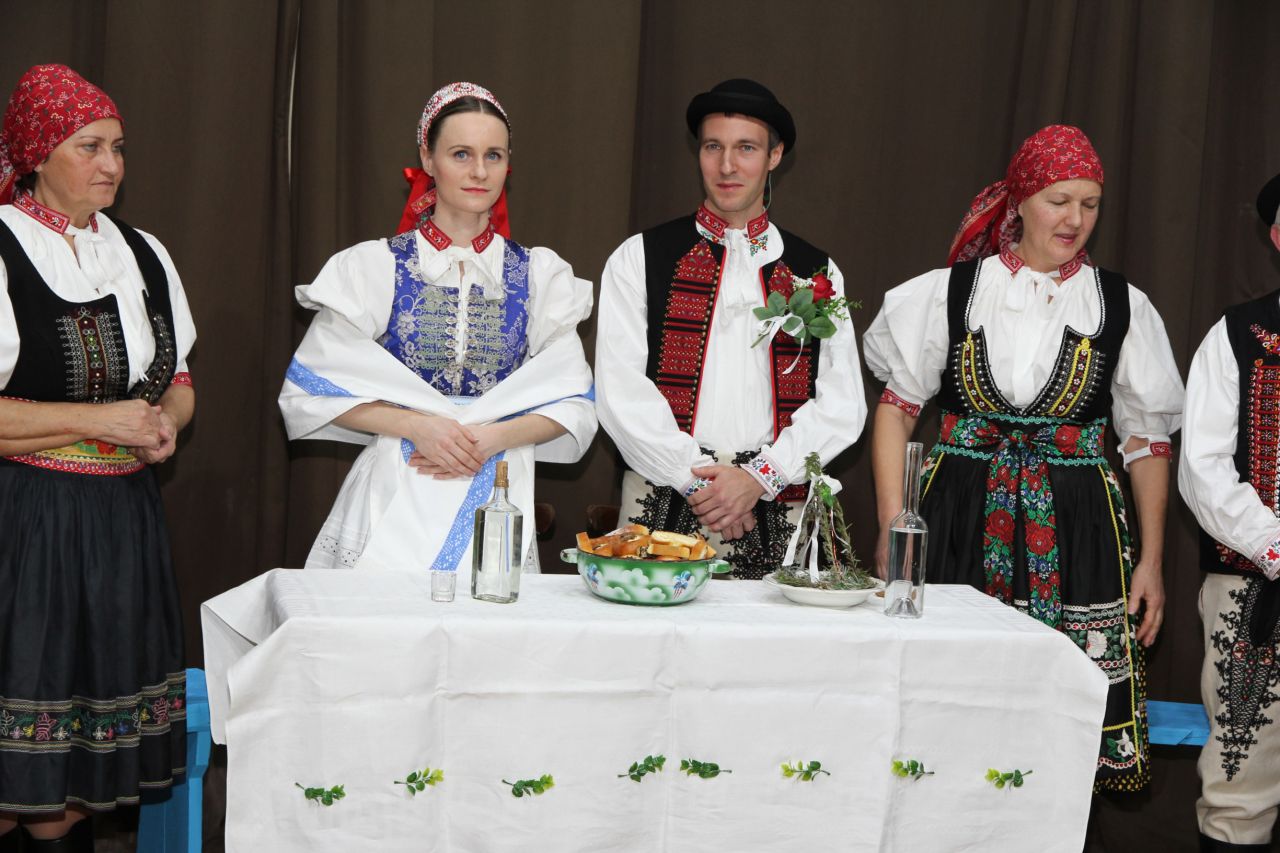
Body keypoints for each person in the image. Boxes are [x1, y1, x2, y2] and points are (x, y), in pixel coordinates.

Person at [863, 125, 1183, 790]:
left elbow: (1147, 442)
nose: (1075, 219)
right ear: (1020, 201)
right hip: (958, 516)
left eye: (1090, 204)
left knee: (1060, 721)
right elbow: (896, 410)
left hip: (1077, 526)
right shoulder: (950, 291)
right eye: (1058, 201)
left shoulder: (1121, 305)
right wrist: (896, 524)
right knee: (945, 700)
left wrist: (1151, 559)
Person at [280, 82, 595, 578]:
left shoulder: (537, 274)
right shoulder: (377, 266)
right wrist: (416, 426)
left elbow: (575, 402)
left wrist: (491, 438)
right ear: (427, 159)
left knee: (489, 617)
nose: (479, 171)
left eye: (493, 156)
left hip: (498, 488)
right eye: (461, 154)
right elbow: (310, 388)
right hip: (395, 485)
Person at [0, 64, 196, 851]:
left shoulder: (141, 252)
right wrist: (100, 420)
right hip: (25, 529)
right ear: (37, 153)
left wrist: (163, 422)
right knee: (12, 771)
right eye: (89, 146)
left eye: (117, 146)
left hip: (121, 526)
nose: (111, 164)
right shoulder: (4, 249)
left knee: (77, 775)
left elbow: (179, 380)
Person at [594, 79, 866, 579]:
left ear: (775, 156)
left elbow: (843, 403)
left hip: (777, 496)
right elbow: (619, 390)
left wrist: (759, 478)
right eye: (713, 147)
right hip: (665, 489)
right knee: (654, 628)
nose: (727, 166)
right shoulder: (640, 257)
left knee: (777, 631)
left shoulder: (816, 271)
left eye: (746, 148)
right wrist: (697, 481)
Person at [1179, 171, 1280, 851]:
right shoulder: (1239, 335)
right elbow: (1202, 466)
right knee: (1240, 785)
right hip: (1253, 587)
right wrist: (1274, 543)